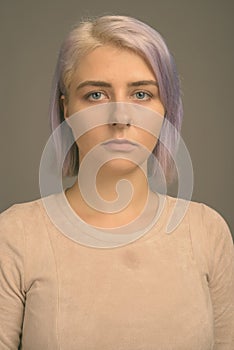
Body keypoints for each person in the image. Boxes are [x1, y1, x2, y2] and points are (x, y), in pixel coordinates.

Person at [0, 15, 233, 350]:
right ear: (67, 109)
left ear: (166, 108)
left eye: (141, 94)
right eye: (96, 95)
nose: (121, 118)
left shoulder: (208, 232)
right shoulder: (15, 236)